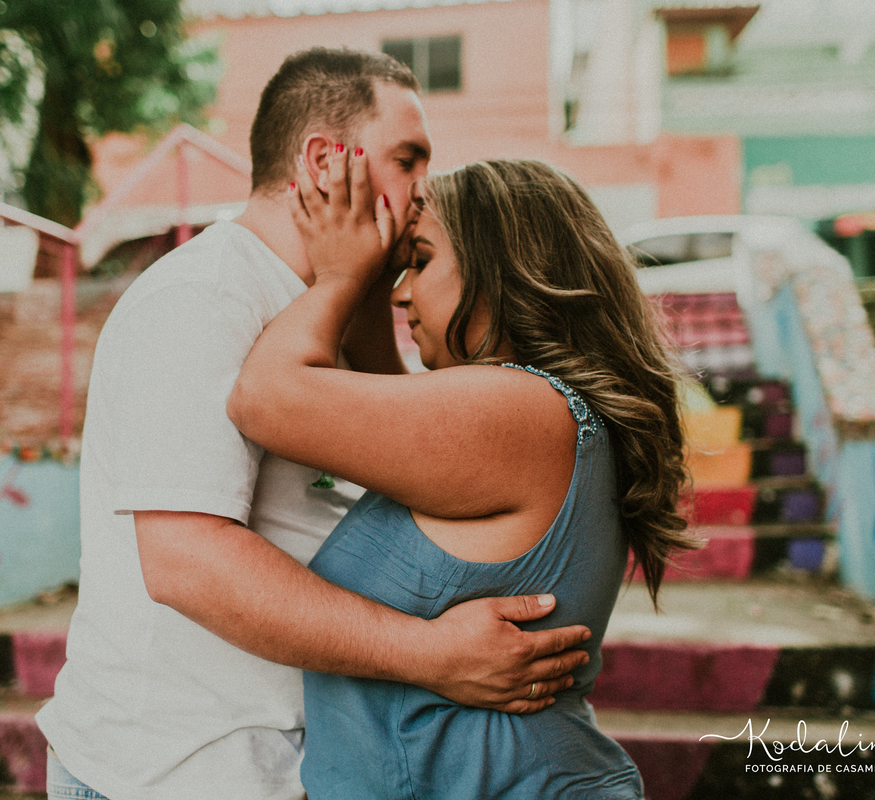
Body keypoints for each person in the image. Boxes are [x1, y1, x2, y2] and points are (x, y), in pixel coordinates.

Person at [36, 48, 594, 800]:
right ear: (325, 163)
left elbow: (407, 479)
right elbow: (185, 562)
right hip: (173, 772)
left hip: (286, 765)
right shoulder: (201, 300)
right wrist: (430, 654)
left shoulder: (327, 306)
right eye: (408, 160)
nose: (425, 191)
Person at [228, 154, 701, 798]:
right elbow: (392, 408)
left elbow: (264, 400)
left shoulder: (522, 412)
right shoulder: (537, 418)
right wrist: (370, 279)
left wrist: (341, 276)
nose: (400, 291)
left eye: (420, 261)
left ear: (499, 270)